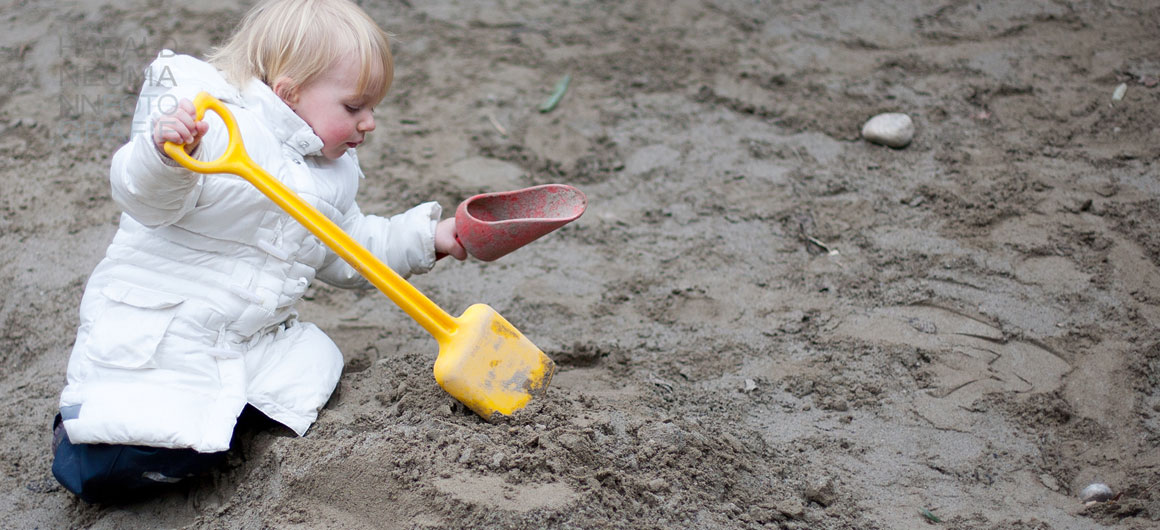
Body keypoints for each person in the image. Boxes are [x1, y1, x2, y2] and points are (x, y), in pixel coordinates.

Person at [52, 0, 466, 503]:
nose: (370, 123)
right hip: (167, 327)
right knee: (115, 458)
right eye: (354, 107)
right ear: (290, 92)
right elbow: (144, 198)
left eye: (372, 108)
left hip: (245, 336)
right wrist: (163, 156)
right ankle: (97, 433)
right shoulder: (212, 126)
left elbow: (349, 248)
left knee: (311, 368)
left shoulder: (327, 173)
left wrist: (432, 238)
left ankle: (218, 425)